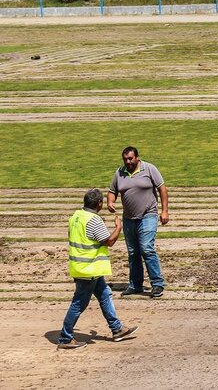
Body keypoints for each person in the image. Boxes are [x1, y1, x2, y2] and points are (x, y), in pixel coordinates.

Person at [57, 189, 139, 350]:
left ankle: (117, 329)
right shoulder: (94, 220)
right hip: (89, 269)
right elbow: (108, 241)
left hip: (81, 267)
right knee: (79, 303)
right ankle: (65, 337)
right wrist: (118, 227)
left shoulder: (75, 217)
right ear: (99, 204)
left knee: (105, 294)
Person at [107, 146, 168, 298]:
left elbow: (162, 189)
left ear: (137, 158)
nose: (128, 162)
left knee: (146, 248)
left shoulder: (149, 169)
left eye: (130, 159)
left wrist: (165, 211)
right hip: (129, 218)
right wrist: (110, 202)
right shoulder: (119, 173)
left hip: (148, 215)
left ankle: (157, 284)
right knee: (133, 253)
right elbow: (112, 191)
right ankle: (135, 285)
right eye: (125, 159)